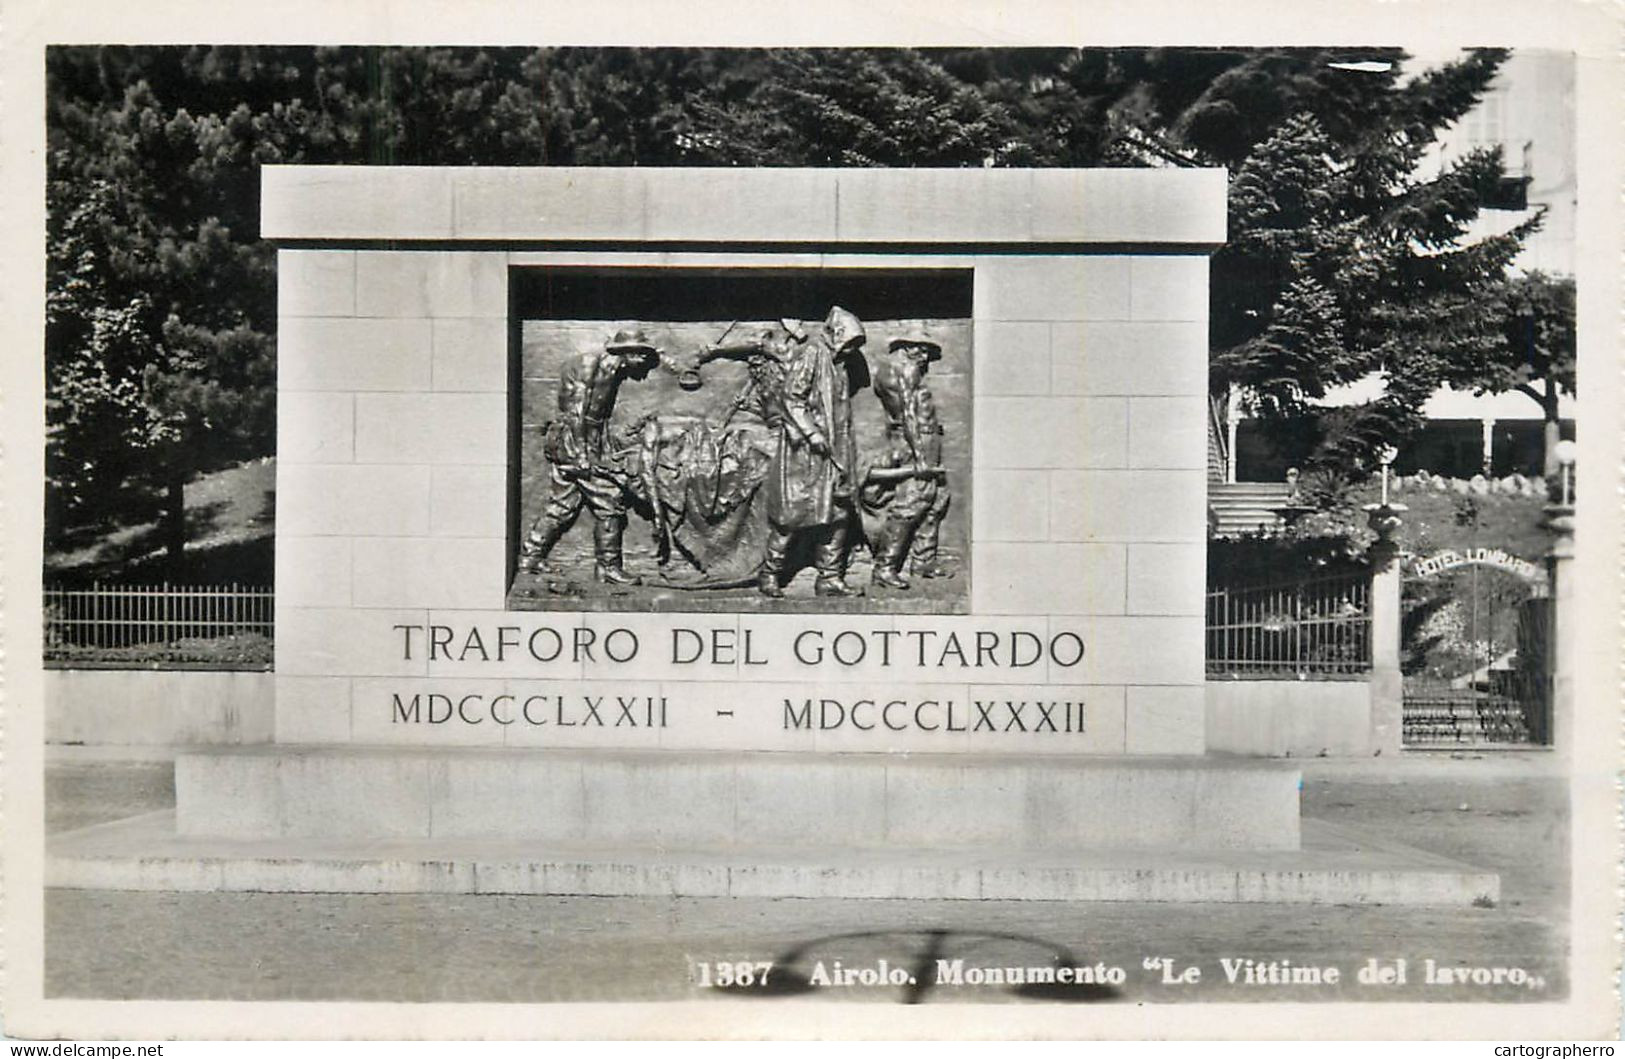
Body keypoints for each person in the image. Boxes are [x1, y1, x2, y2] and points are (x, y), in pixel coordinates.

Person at [518, 328, 658, 585]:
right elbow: (576, 413)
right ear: (629, 352)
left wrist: (606, 445)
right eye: (643, 357)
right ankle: (608, 567)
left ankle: (530, 557)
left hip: (589, 438)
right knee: (610, 503)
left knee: (562, 505)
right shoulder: (589, 364)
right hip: (574, 438)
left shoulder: (614, 370)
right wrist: (582, 453)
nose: (645, 367)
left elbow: (597, 417)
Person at [758, 306, 868, 598]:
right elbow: (791, 398)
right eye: (851, 342)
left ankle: (829, 578)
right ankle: (770, 574)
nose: (853, 349)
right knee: (792, 515)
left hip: (835, 451)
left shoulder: (839, 365)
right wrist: (811, 432)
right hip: (805, 453)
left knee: (838, 513)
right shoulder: (812, 354)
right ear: (836, 335)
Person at [864, 327, 954, 589]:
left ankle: (923, 561)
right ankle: (885, 567)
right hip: (917, 440)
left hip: (919, 438)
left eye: (928, 350)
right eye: (921, 348)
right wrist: (920, 455)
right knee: (912, 502)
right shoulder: (904, 369)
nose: (925, 355)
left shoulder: (893, 369)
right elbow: (908, 415)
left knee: (935, 500)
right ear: (905, 347)